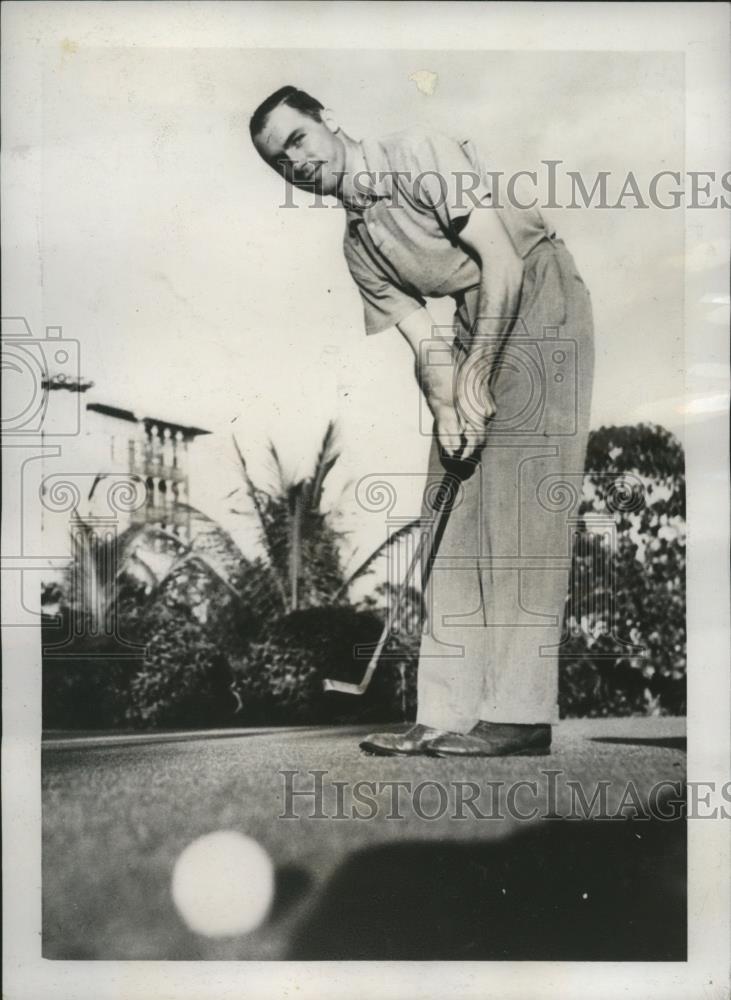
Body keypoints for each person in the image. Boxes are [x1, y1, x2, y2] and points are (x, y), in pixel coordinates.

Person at [249, 86, 594, 757]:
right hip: (475, 319)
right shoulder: (357, 249)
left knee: (520, 506)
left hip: (538, 289)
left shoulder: (415, 152)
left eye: (296, 139)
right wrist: (447, 403)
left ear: (328, 122)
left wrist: (476, 370)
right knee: (447, 506)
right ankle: (444, 711)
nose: (293, 162)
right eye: (276, 161)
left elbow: (500, 259)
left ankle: (518, 714)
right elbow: (429, 353)